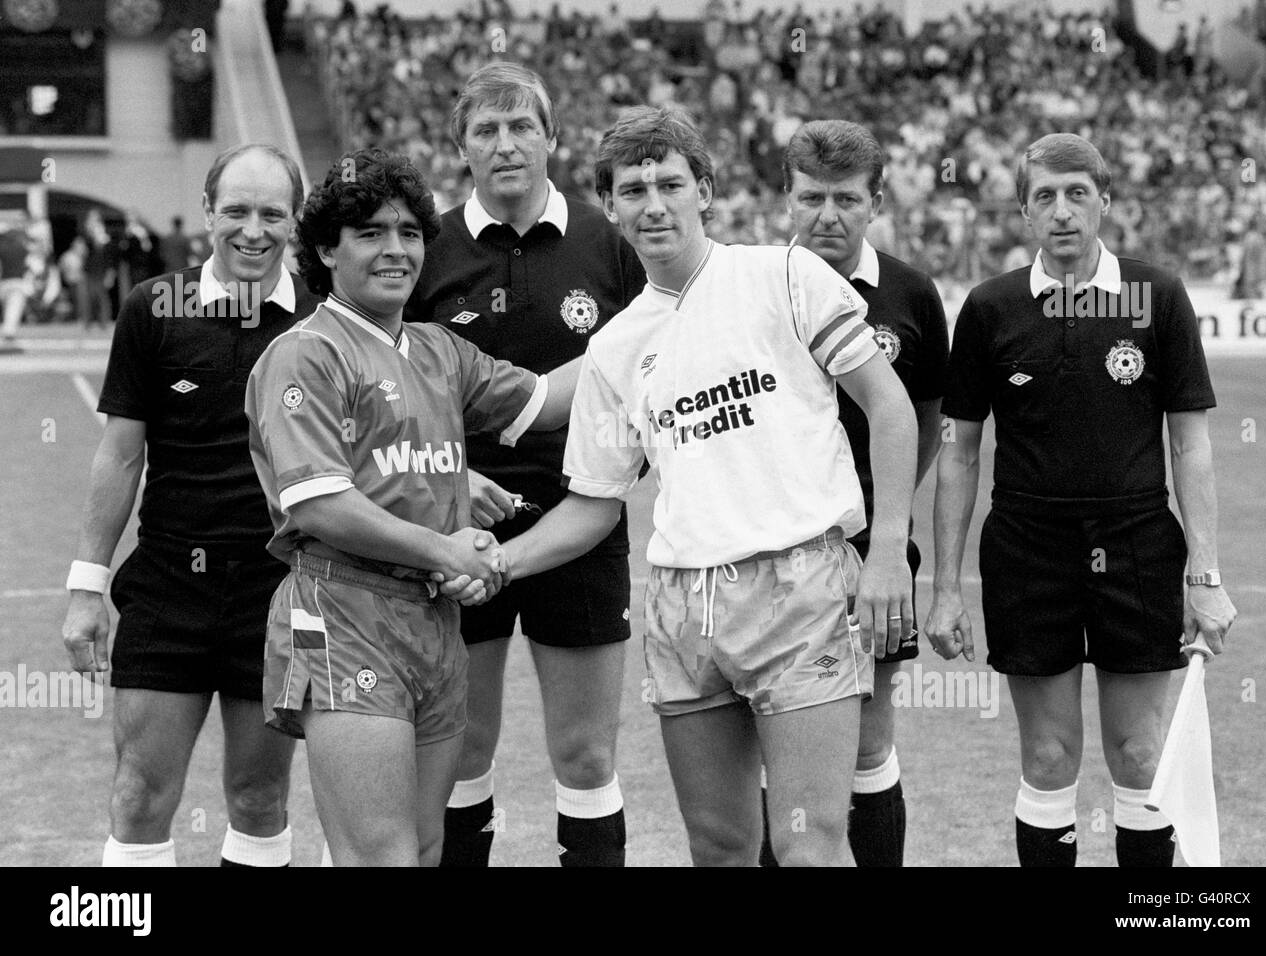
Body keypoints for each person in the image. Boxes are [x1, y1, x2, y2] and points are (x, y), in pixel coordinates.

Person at [492, 106, 919, 866]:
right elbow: (594, 504)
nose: (653, 203)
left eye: (670, 183)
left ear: (706, 191)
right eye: (633, 189)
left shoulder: (782, 274)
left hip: (802, 589)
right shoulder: (616, 348)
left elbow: (889, 407)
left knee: (810, 843)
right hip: (683, 608)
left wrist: (886, 552)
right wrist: (500, 563)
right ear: (613, 210)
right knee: (719, 846)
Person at [245, 148, 583, 866]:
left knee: (426, 850)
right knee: (381, 858)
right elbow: (321, 504)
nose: (395, 249)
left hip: (433, 620)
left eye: (408, 232)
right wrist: (447, 550)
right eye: (370, 233)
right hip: (341, 614)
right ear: (326, 251)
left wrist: (656, 323)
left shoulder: (438, 349)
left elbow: (549, 401)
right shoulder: (305, 352)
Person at [926, 133, 1237, 867]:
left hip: (1136, 542)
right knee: (1048, 754)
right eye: (1045, 196)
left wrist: (1206, 573)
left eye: (1076, 194)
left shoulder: (1155, 296)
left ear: (1105, 202)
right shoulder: (991, 307)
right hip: (1029, 547)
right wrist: (943, 590)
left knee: (1137, 754)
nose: (1062, 212)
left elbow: (1190, 445)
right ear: (1024, 212)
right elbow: (959, 451)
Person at [404, 62, 645, 867]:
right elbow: (385, 380)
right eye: (486, 131)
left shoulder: (609, 246)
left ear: (553, 139)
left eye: (522, 128)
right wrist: (439, 485)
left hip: (581, 524)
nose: (506, 146)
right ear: (461, 148)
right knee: (459, 751)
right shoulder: (424, 248)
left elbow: (649, 364)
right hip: (449, 535)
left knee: (584, 756)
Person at [61, 144, 320, 867]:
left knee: (259, 796)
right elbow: (119, 454)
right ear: (207, 211)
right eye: (235, 210)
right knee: (140, 796)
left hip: (279, 595)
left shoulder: (326, 317)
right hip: (169, 588)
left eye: (273, 213)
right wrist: (86, 587)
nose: (253, 230)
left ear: (295, 222)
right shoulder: (153, 308)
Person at [757, 119, 948, 867]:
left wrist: (887, 523)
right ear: (787, 199)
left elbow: (927, 419)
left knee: (870, 729)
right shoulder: (754, 285)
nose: (826, 216)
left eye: (844, 199)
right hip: (772, 545)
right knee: (780, 731)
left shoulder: (910, 292)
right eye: (810, 198)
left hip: (874, 547)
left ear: (875, 201)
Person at [0, 214, 32, 351]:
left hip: (5, 282)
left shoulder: (4, 242)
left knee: (10, 309)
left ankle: (8, 336)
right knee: (13, 309)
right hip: (17, 281)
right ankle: (8, 336)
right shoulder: (22, 243)